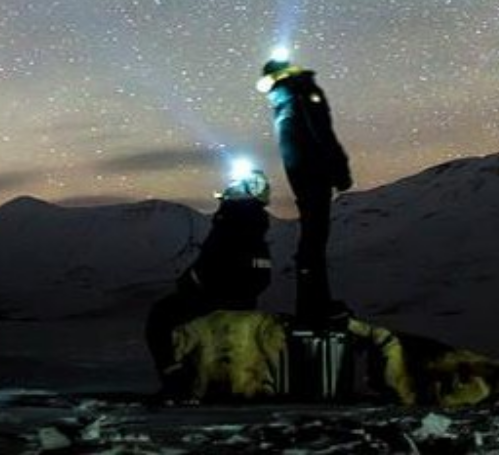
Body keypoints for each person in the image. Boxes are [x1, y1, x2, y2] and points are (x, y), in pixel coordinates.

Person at [145, 168, 273, 399]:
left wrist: (193, 283)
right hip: (237, 300)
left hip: (213, 299)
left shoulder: (231, 225)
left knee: (160, 318)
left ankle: (176, 381)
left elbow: (213, 267)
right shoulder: (252, 227)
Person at [256, 56, 352, 327]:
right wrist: (340, 171)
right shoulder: (301, 92)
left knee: (311, 241)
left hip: (300, 176)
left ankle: (311, 303)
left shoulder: (281, 101)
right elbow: (321, 131)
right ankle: (316, 305)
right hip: (315, 173)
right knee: (314, 242)